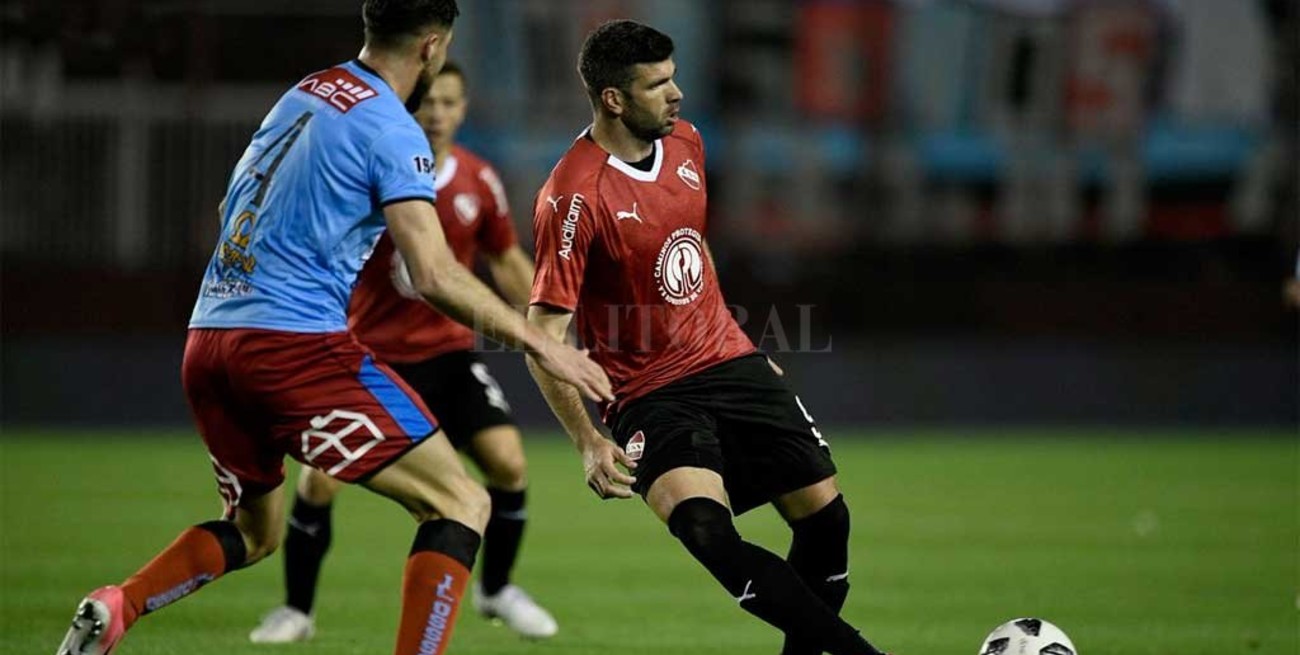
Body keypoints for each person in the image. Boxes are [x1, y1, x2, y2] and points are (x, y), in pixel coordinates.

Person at [55, 2, 611, 654]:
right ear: (433, 47)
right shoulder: (391, 128)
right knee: (462, 501)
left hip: (208, 339)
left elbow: (227, 201)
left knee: (258, 531)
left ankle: (120, 603)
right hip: (292, 344)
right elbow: (432, 273)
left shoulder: (304, 94)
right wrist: (544, 343)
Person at [524, 20, 890, 655]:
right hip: (649, 392)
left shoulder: (687, 144)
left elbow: (690, 249)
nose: (678, 94)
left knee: (827, 522)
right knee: (705, 531)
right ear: (614, 98)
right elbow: (542, 334)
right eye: (659, 83)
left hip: (729, 362)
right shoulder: (573, 196)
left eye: (674, 76)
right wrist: (587, 438)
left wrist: (739, 341)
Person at [247, 61, 558, 644]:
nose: (437, 114)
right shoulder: (377, 172)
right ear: (409, 108)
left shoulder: (478, 179)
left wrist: (549, 324)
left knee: (509, 464)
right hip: (372, 355)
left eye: (449, 103)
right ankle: (296, 609)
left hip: (449, 355)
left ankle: (497, 589)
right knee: (318, 482)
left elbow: (507, 259)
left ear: (463, 109)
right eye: (428, 103)